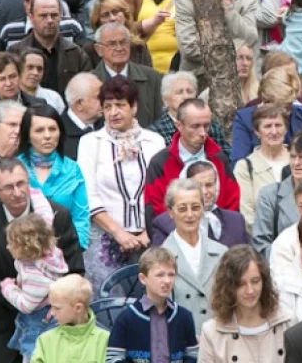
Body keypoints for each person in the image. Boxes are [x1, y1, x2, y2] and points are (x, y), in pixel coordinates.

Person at [0, 157, 85, 363]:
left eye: (21, 184)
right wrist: (18, 295)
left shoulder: (57, 215)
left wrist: (55, 303)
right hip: (2, 320)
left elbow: (75, 269)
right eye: (8, 187)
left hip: (52, 318)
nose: (17, 192)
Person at [76, 75, 165, 290]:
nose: (113, 112)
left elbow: (162, 191)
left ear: (134, 107)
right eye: (107, 107)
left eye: (120, 105)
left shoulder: (155, 141)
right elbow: (88, 194)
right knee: (109, 301)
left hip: (149, 237)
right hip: (105, 239)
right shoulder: (90, 142)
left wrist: (148, 232)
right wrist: (118, 233)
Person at [199, 245, 296, 363]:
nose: (250, 290)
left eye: (255, 281)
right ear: (228, 286)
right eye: (241, 284)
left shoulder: (287, 322)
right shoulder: (211, 332)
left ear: (264, 281)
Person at [15, 104, 90, 249]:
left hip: (66, 251)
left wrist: (74, 251)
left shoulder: (72, 169)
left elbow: (81, 218)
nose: (47, 136)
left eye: (52, 129)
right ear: (28, 136)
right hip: (22, 251)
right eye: (39, 130)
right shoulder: (15, 168)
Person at [107, 247, 198, 357]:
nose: (167, 281)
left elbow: (193, 355)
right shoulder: (126, 318)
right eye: (160, 275)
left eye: (171, 274)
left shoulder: (184, 317)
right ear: (143, 278)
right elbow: (113, 357)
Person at [158, 178, 225, 326]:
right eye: (182, 209)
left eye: (195, 207)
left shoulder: (221, 253)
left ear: (203, 209)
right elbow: (159, 314)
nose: (190, 215)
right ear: (170, 212)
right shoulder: (160, 259)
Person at [0, 212, 68, 360]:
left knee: (34, 356)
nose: (7, 247)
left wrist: (8, 288)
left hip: (39, 322)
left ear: (26, 247)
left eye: (11, 243)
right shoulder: (52, 255)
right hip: (52, 315)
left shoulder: (34, 275)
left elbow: (26, 305)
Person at [9, 0, 92, 97]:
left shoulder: (76, 53)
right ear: (31, 17)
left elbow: (88, 90)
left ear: (61, 16)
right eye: (43, 16)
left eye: (54, 15)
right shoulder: (15, 53)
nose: (49, 20)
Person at [91, 22, 163, 127]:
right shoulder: (90, 82)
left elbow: (160, 119)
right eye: (112, 44)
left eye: (123, 42)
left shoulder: (152, 77)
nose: (119, 48)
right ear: (99, 49)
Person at [29, 275, 109, 363]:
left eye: (57, 308)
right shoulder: (45, 340)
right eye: (51, 307)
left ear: (78, 308)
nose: (52, 313)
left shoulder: (105, 341)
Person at [85, 0, 152, 69]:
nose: (112, 18)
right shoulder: (90, 50)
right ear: (98, 22)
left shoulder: (138, 46)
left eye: (115, 12)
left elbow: (148, 74)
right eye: (105, 15)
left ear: (125, 16)